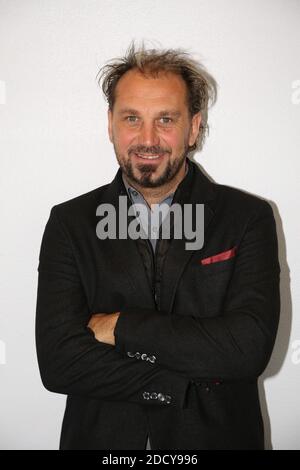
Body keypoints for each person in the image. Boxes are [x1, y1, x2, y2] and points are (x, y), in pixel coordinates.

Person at [35, 42, 281, 450]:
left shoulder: (248, 218)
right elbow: (60, 361)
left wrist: (120, 326)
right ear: (111, 124)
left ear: (195, 126)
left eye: (165, 119)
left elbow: (247, 349)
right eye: (132, 118)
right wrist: (177, 384)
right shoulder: (69, 223)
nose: (147, 138)